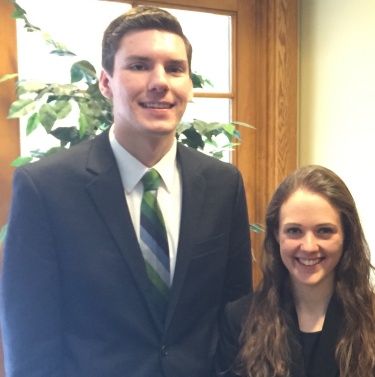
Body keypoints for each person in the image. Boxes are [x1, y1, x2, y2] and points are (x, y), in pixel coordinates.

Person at [0, 6, 252, 377]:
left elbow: (236, 313)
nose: (160, 81)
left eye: (175, 68)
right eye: (138, 65)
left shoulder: (222, 183)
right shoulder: (46, 189)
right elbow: (30, 339)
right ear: (106, 83)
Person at [216, 165, 375, 377]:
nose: (309, 246)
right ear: (276, 234)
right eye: (294, 231)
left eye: (324, 231)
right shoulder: (239, 321)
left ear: (346, 234)